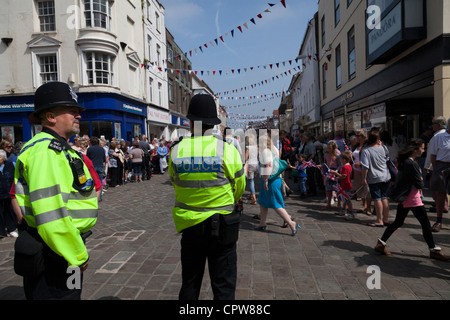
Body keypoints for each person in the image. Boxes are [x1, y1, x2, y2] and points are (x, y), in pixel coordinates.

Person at [14, 81, 97, 299]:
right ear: (51, 116)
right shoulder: (46, 152)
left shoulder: (57, 148)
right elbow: (51, 214)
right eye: (72, 111)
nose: (78, 115)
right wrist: (77, 255)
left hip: (63, 245)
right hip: (58, 250)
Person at [169, 94, 246, 300]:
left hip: (190, 226)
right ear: (213, 123)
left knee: (190, 283)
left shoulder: (176, 151)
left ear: (190, 121)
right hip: (222, 226)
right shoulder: (227, 151)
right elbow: (239, 187)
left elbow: (175, 181)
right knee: (223, 286)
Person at [374, 139, 450, 261]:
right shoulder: (411, 163)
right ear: (415, 149)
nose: (423, 150)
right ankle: (433, 250)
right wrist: (420, 179)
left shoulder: (406, 161)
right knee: (425, 223)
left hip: (407, 197)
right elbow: (419, 183)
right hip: (412, 197)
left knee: (399, 222)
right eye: (422, 148)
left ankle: (381, 243)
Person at [254, 145, 300, 235]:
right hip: (272, 180)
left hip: (271, 182)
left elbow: (268, 165)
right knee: (263, 202)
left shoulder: (265, 152)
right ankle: (262, 223)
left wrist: (266, 180)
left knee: (276, 205)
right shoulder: (269, 151)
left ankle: (291, 223)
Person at [360, 131, 391, 227]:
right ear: (378, 139)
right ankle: (385, 219)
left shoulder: (366, 150)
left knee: (377, 199)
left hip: (374, 177)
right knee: (384, 197)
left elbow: (365, 166)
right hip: (385, 176)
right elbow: (387, 159)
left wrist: (363, 178)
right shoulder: (383, 148)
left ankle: (379, 220)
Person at [428, 117, 450, 232]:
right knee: (440, 194)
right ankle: (439, 220)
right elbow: (433, 155)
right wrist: (435, 168)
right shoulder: (439, 137)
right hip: (441, 166)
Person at [352, 129, 372, 215]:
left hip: (365, 169)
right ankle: (364, 205)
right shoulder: (356, 145)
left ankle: (369, 207)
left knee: (367, 189)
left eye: (358, 135)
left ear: (363, 137)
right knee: (359, 187)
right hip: (356, 170)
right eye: (356, 135)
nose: (356, 137)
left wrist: (360, 162)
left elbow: (369, 158)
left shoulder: (367, 146)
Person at [330, 151, 354, 220]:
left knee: (347, 199)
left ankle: (351, 212)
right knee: (344, 199)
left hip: (346, 185)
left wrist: (335, 173)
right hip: (345, 184)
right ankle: (344, 210)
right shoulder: (347, 166)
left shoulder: (345, 167)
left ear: (344, 159)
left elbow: (343, 176)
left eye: (341, 159)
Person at [0, 150, 17, 238]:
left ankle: (11, 229)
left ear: (3, 158)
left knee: (9, 211)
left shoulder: (9, 165)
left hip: (8, 192)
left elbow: (13, 177)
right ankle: (1, 231)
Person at [322, 140, 341, 210]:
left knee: (337, 189)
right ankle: (328, 203)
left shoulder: (338, 155)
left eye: (330, 148)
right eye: (328, 148)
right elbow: (325, 163)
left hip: (335, 172)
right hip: (328, 172)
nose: (328, 150)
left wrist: (336, 172)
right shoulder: (326, 155)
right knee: (328, 189)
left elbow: (340, 165)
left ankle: (339, 204)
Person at [87, 136, 106, 201]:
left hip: (93, 167)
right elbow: (104, 159)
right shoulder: (102, 149)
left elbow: (87, 159)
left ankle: (93, 197)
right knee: (99, 183)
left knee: (93, 183)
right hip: (100, 166)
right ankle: (99, 197)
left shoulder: (90, 149)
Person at [244, 133, 259, 205]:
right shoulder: (256, 147)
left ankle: (254, 198)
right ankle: (251, 194)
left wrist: (243, 164)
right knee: (253, 180)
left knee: (251, 181)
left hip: (250, 164)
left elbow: (245, 157)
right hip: (256, 164)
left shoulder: (248, 147)